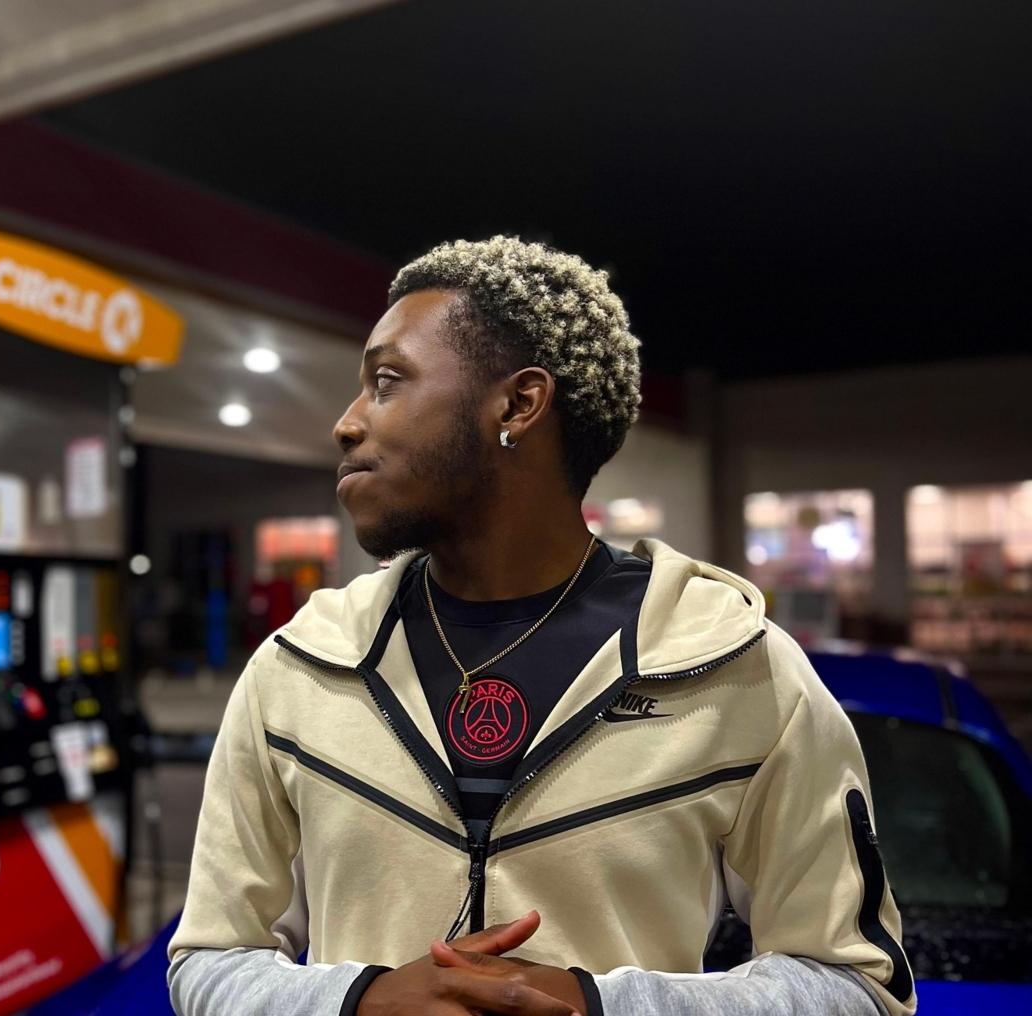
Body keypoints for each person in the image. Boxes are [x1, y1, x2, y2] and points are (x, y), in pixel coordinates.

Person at [167, 236, 915, 1016]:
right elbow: (208, 959)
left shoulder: (733, 667)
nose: (347, 425)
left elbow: (857, 985)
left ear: (518, 405)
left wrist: (599, 1006)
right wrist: (358, 1004)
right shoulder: (301, 665)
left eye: (387, 383)